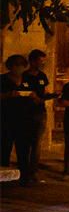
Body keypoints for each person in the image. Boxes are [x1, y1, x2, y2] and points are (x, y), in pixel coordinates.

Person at [0, 54, 35, 184]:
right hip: (7, 119)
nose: (19, 69)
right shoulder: (3, 80)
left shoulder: (27, 79)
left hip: (24, 119)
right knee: (5, 148)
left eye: (21, 66)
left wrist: (33, 96)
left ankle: (24, 176)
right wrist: (8, 95)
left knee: (24, 149)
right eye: (16, 66)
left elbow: (37, 95)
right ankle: (4, 176)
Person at [23, 49, 53, 183]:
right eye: (40, 61)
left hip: (40, 112)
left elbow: (45, 91)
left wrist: (50, 96)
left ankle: (33, 171)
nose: (42, 64)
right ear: (32, 61)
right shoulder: (24, 76)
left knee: (37, 143)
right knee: (25, 142)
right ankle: (24, 170)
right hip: (26, 113)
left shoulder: (42, 76)